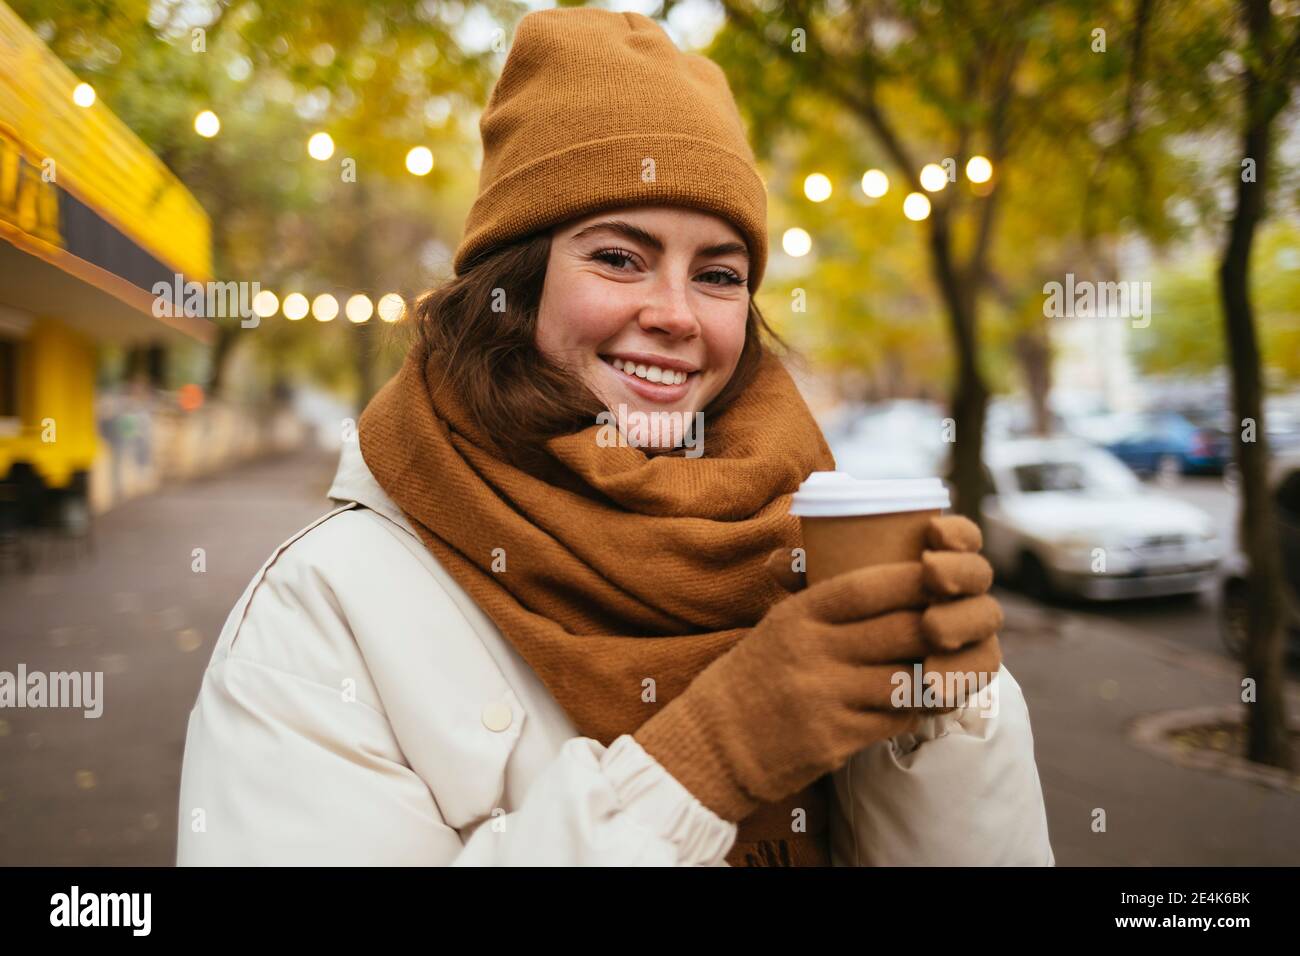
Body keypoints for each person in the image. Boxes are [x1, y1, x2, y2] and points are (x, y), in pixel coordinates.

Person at [176, 7, 1053, 867]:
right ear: (513, 286)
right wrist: (708, 757)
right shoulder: (324, 606)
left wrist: (944, 721)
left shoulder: (800, 543)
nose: (674, 315)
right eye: (619, 257)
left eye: (718, 274)